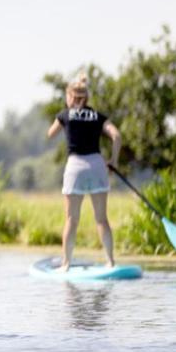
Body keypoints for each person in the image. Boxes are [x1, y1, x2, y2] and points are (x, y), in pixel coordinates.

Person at [46, 72, 122, 271]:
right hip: (97, 165)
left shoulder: (65, 114)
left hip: (76, 166)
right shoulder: (97, 116)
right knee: (102, 219)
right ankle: (111, 262)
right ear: (87, 98)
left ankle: (66, 264)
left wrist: (66, 116)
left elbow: (50, 134)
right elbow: (116, 135)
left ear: (70, 96)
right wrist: (113, 160)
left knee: (71, 219)